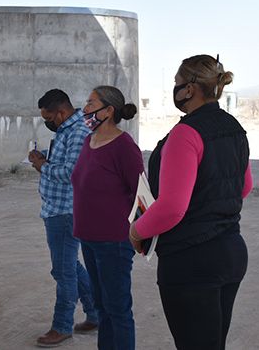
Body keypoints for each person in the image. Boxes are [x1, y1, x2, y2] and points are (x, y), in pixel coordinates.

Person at [129, 54, 253, 350]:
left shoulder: (186, 133)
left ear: (190, 88)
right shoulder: (234, 127)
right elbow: (244, 187)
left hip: (191, 261)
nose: (176, 89)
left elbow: (172, 207)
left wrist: (137, 231)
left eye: (176, 83)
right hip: (231, 252)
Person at [71, 85, 143, 350]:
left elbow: (141, 196)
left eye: (90, 104)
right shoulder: (89, 141)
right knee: (102, 308)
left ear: (109, 110)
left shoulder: (124, 147)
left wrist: (137, 235)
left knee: (118, 310)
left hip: (114, 242)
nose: (85, 109)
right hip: (89, 239)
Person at [28, 88, 99, 347]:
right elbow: (64, 163)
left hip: (65, 210)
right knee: (70, 266)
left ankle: (62, 326)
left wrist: (42, 166)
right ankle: (95, 313)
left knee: (63, 271)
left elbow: (72, 173)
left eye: (49, 117)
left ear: (61, 112)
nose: (48, 123)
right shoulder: (66, 131)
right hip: (56, 208)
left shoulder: (78, 131)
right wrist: (44, 160)